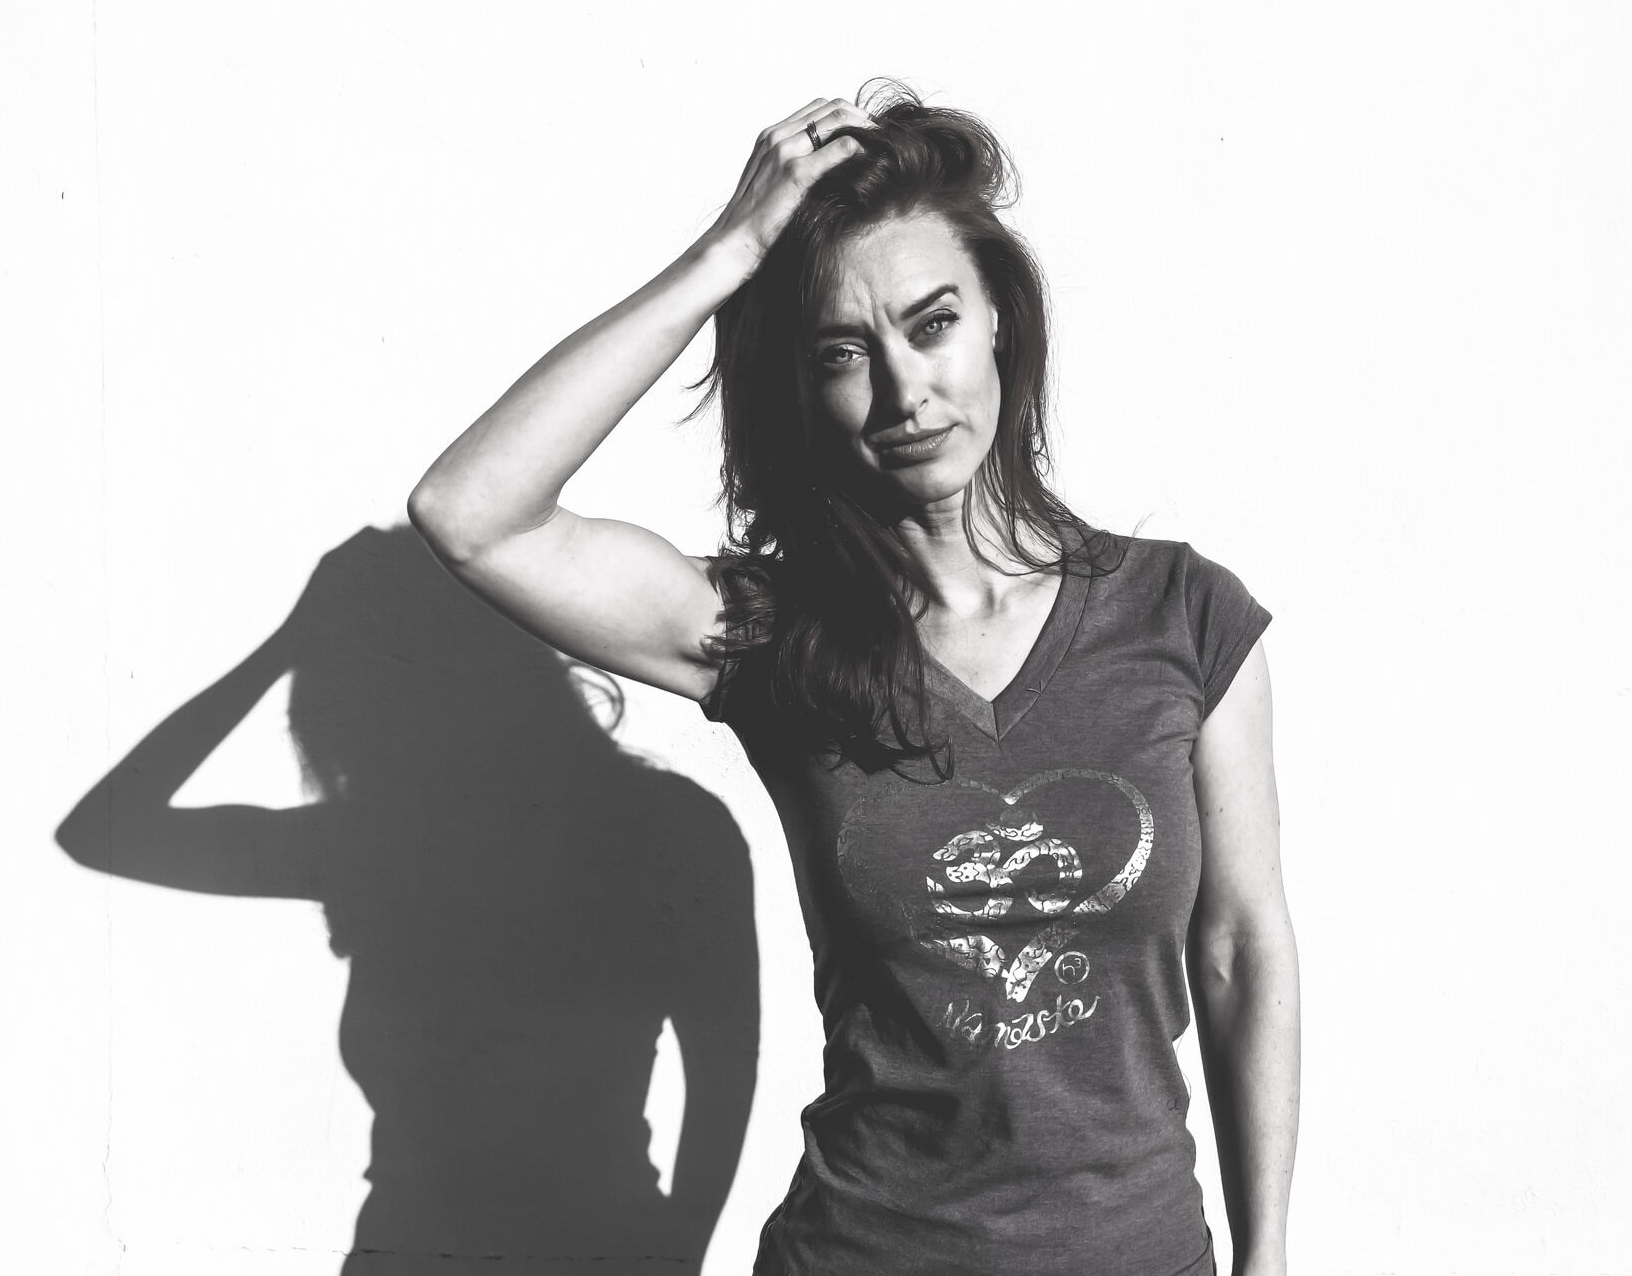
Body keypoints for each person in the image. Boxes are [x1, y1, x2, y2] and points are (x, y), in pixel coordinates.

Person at [407, 80, 1299, 1276]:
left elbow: (1241, 949)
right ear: (805, 387)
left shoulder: (1182, 615)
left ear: (999, 322)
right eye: (844, 352)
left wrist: (1267, 1255)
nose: (904, 388)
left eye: (933, 324)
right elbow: (471, 514)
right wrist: (727, 254)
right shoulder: (776, 634)